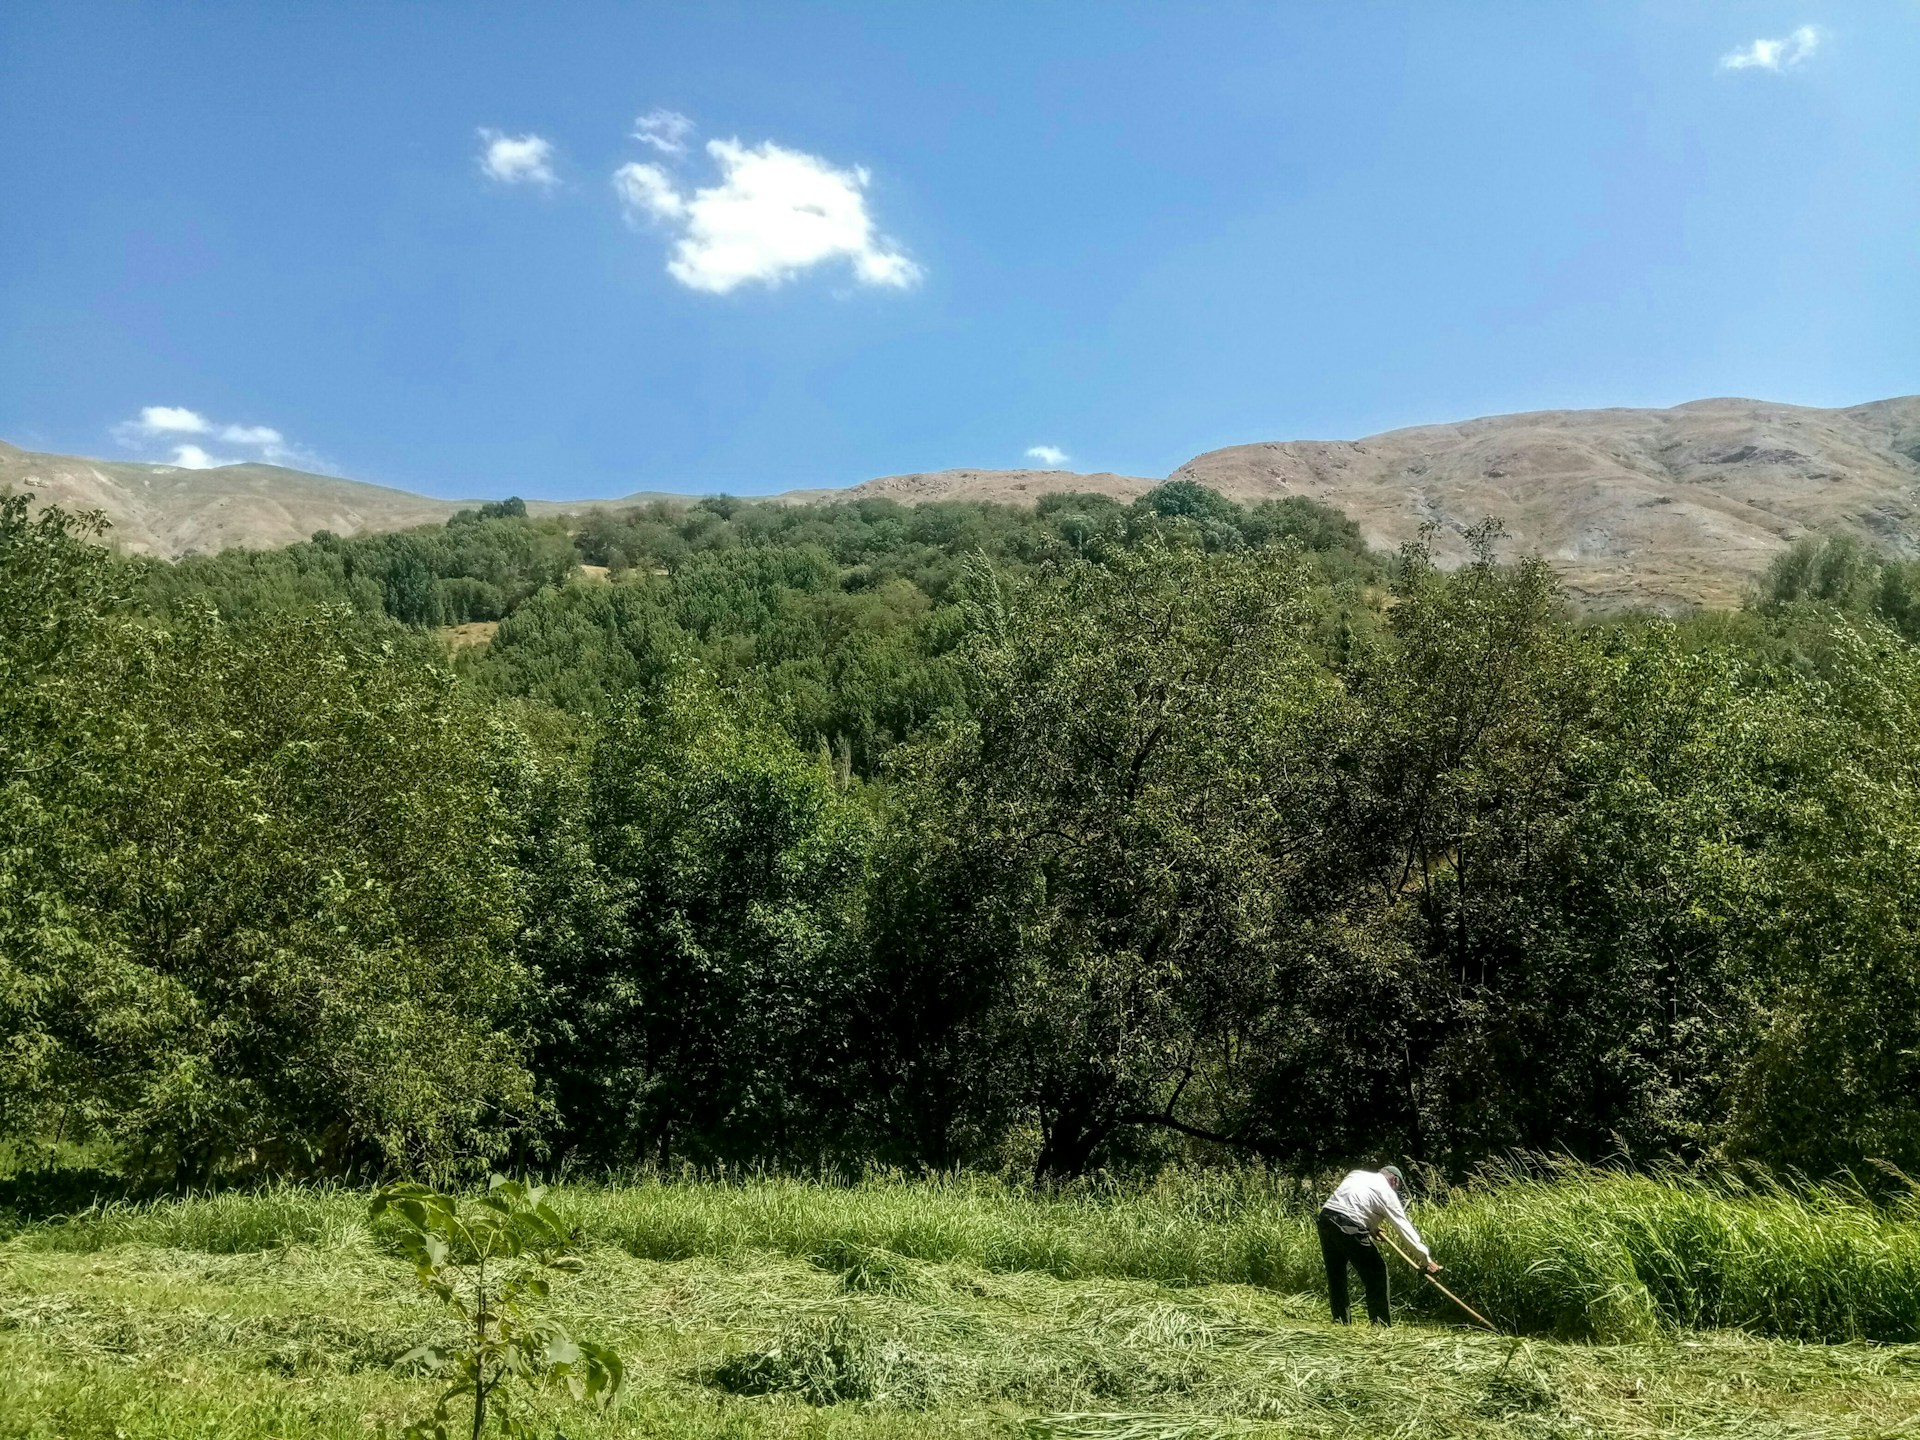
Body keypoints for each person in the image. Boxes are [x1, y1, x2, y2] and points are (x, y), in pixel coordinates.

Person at [1316, 1164, 1439, 1326]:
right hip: (1349, 1226)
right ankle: (1380, 1324)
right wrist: (1426, 1259)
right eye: (1398, 1186)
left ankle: (1340, 1320)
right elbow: (1404, 1229)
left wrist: (1371, 1227)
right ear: (1395, 1180)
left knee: (1336, 1274)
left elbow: (1351, 1202)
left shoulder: (1356, 1174)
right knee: (1377, 1273)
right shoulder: (1387, 1193)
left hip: (1325, 1219)